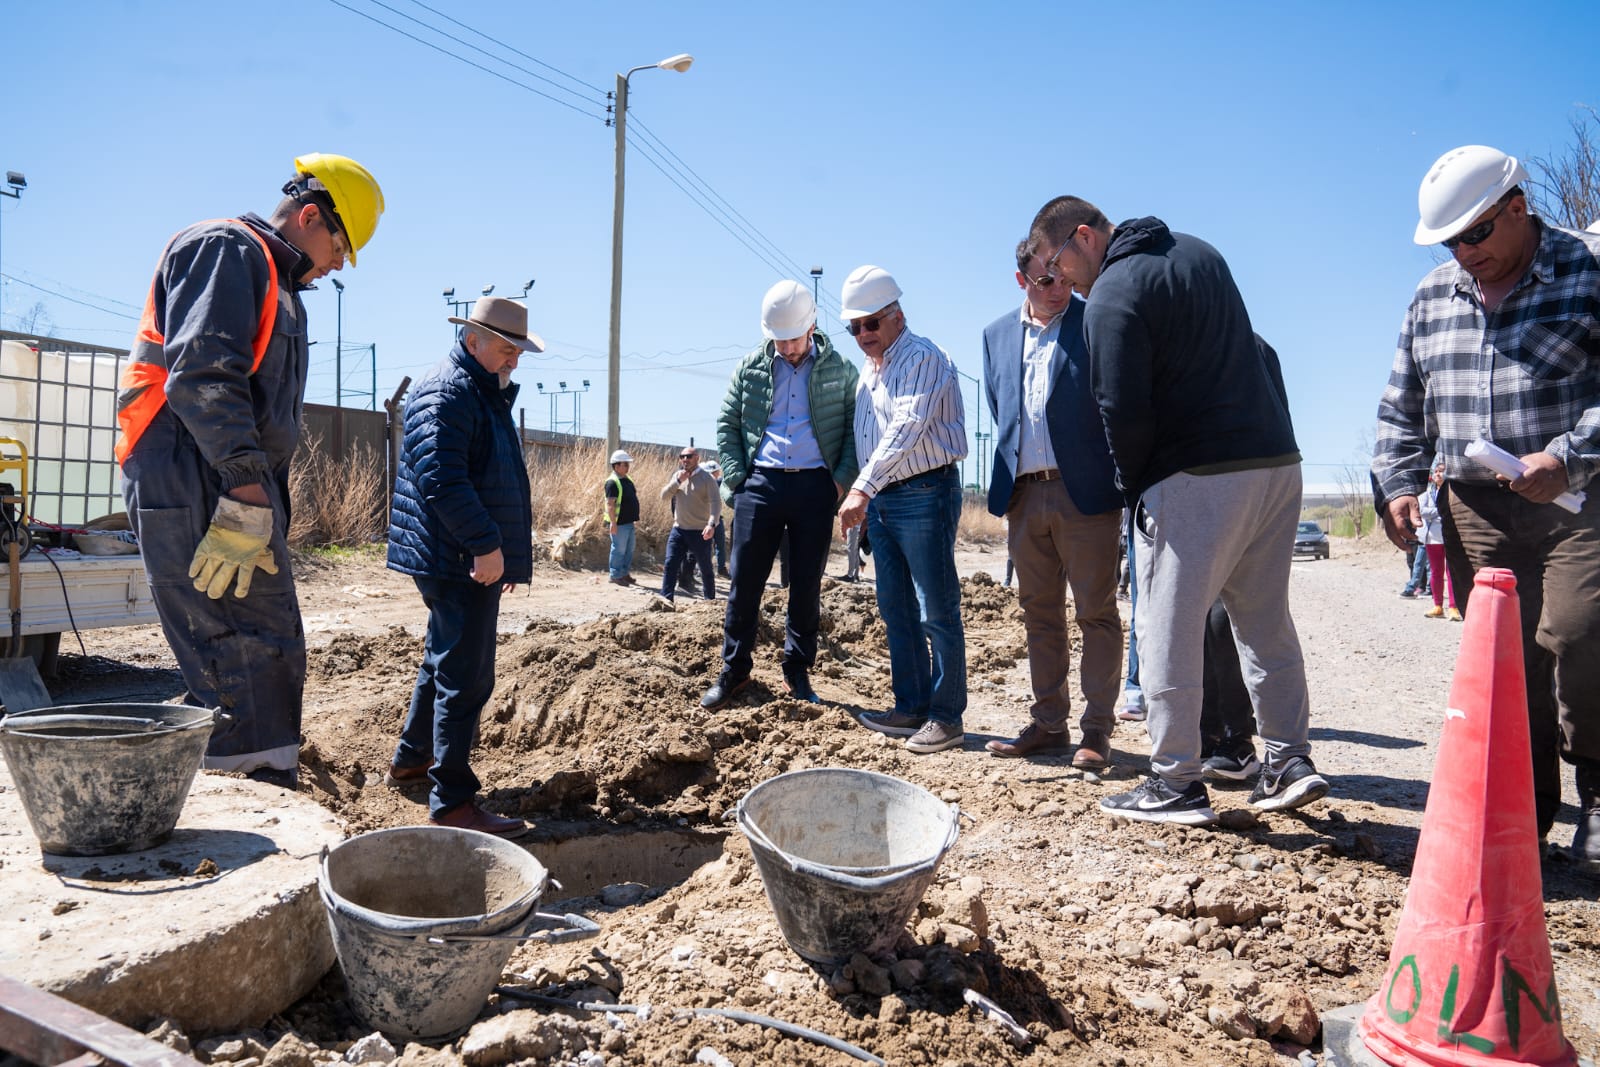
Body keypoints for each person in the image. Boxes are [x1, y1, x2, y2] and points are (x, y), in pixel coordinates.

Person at [1030, 196, 1327, 825]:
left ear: (1084, 236)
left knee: (1166, 624)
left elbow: (1119, 406)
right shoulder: (1198, 251)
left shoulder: (1111, 292)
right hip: (1275, 464)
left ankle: (1173, 780)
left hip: (1197, 474)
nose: (1061, 282)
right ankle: (1287, 760)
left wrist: (1135, 489)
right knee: (1264, 621)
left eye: (1058, 265)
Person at [116, 153, 384, 788]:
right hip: (188, 473)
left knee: (262, 642)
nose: (341, 262)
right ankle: (246, 796)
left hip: (221, 479)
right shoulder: (227, 250)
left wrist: (257, 495)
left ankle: (247, 784)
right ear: (311, 215)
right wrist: (244, 490)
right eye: (341, 245)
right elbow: (204, 375)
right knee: (237, 645)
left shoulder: (282, 284)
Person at [1372, 144, 1600, 869]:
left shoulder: (1586, 272)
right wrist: (1400, 484)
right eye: (1450, 240)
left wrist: (1568, 452)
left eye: (1476, 233)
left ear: (1517, 208)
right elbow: (1400, 407)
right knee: (1508, 662)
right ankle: (1523, 815)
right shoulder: (1432, 297)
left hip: (1576, 498)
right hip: (1475, 507)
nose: (1464, 252)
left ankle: (1597, 795)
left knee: (1579, 633)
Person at [385, 297, 539, 838]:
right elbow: (442, 479)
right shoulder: (451, 390)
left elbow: (482, 476)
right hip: (457, 557)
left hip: (458, 554)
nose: (513, 360)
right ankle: (451, 801)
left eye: (518, 352)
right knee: (466, 675)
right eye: (506, 349)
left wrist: (500, 547)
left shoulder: (477, 389)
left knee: (442, 658)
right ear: (472, 339)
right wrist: (485, 545)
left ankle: (413, 757)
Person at [980, 229, 1122, 769]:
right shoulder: (995, 335)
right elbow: (1002, 409)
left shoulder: (1093, 320)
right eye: (1046, 279)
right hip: (1023, 494)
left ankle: (1097, 731)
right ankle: (1048, 724)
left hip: (1084, 494)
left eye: (1065, 277)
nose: (1060, 287)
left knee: (1096, 613)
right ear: (1022, 280)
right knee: (1039, 614)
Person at [702, 280, 859, 709]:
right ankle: (734, 671)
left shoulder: (840, 370)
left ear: (811, 326)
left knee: (806, 585)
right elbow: (727, 423)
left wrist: (838, 484)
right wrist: (737, 478)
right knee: (744, 584)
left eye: (793, 339)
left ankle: (798, 672)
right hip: (761, 484)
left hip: (814, 487)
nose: (786, 348)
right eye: (779, 339)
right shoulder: (751, 366)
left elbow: (852, 431)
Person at [836, 266, 969, 755]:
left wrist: (861, 489)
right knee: (896, 607)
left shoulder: (922, 357)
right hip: (885, 500)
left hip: (924, 492)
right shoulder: (869, 375)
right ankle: (910, 706)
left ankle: (946, 716)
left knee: (937, 607)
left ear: (898, 315)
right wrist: (863, 493)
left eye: (872, 323)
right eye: (855, 327)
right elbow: (865, 438)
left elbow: (907, 428)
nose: (864, 335)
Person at [659, 446, 718, 603]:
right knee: (670, 564)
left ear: (697, 458)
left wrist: (711, 524)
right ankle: (666, 600)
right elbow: (664, 496)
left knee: (705, 568)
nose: (685, 459)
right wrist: (678, 481)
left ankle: (710, 602)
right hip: (679, 530)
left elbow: (715, 503)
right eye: (682, 456)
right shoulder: (677, 476)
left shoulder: (707, 479)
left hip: (700, 531)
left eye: (689, 456)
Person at [1417, 460, 1461, 622]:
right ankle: (1437, 606)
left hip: (1452, 536)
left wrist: (1436, 513)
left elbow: (1455, 510)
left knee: (1452, 573)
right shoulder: (1426, 495)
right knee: (1436, 572)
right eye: (1435, 471)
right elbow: (1422, 511)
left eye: (1441, 471)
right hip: (1433, 538)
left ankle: (1454, 607)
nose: (1438, 474)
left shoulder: (1454, 493)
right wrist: (1442, 511)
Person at [604, 450, 639, 586]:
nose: (627, 466)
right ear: (616, 466)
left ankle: (624, 573)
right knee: (619, 549)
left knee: (629, 550)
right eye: (625, 464)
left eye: (627, 464)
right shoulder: (612, 483)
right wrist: (613, 523)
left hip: (628, 522)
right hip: (619, 523)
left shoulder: (627, 479)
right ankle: (615, 575)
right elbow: (610, 505)